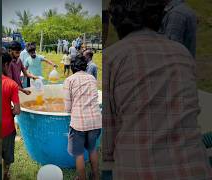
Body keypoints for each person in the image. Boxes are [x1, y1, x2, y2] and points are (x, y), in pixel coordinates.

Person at [104, 0, 212, 179]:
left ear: (116, 22)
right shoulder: (182, 53)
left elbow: (107, 145)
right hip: (197, 170)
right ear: (160, 17)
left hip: (137, 172)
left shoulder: (111, 58)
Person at [64, 55, 102, 180]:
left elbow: (68, 107)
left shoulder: (69, 80)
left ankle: (82, 178)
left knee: (78, 154)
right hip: (96, 121)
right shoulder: (92, 78)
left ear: (72, 67)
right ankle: (96, 176)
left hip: (79, 124)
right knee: (92, 149)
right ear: (85, 66)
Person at [1, 52, 20, 180]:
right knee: (7, 157)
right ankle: (5, 175)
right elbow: (17, 110)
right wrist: (11, 109)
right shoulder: (11, 84)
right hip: (7, 129)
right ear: (6, 64)